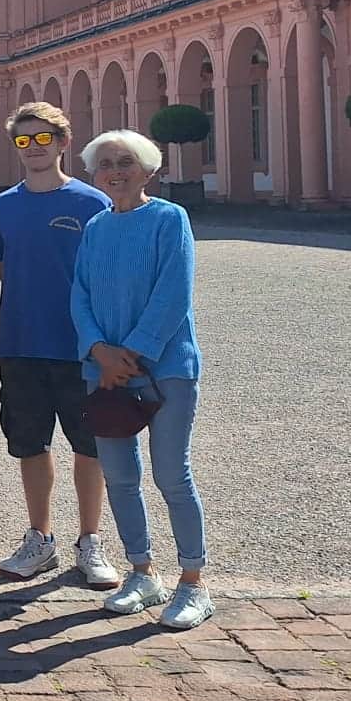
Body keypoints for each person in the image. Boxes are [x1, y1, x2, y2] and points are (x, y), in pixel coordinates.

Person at [73, 130, 212, 629]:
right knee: (120, 478)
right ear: (94, 172)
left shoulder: (170, 218)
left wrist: (133, 353)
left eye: (126, 161)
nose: (115, 170)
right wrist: (98, 351)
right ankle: (141, 571)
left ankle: (193, 581)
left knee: (173, 474)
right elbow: (80, 294)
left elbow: (174, 292)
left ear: (148, 168)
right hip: (105, 372)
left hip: (166, 367)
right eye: (105, 162)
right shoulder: (95, 226)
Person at [0, 103, 120, 589]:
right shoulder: (0, 208)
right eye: (24, 140)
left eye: (43, 139)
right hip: (20, 342)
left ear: (63, 143)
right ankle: (40, 538)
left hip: (80, 347)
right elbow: (6, 272)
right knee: (30, 445)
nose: (34, 148)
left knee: (90, 445)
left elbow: (107, 278)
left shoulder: (92, 204)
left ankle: (90, 539)